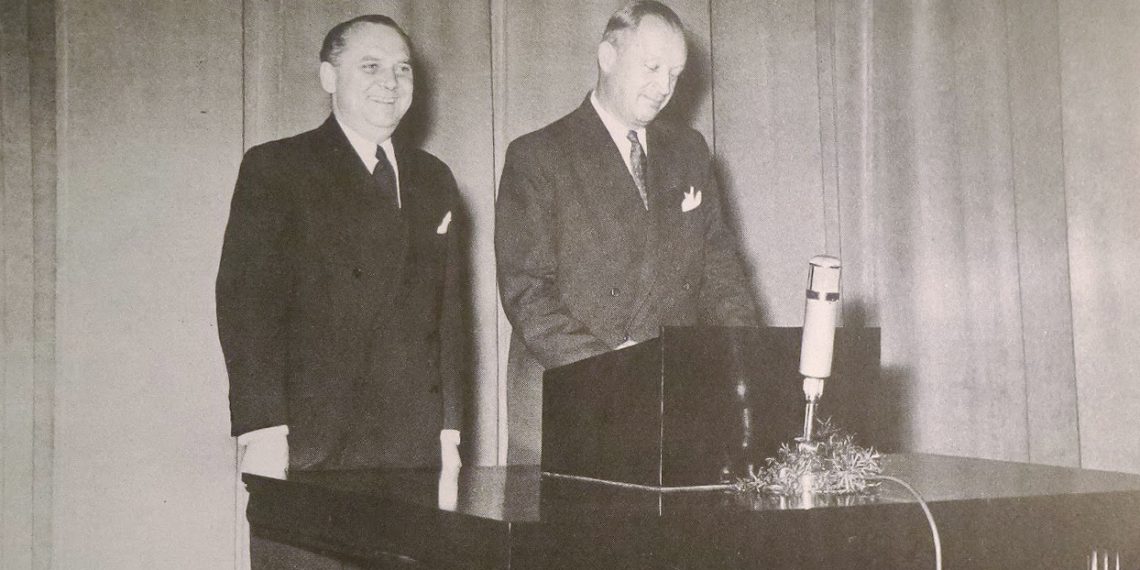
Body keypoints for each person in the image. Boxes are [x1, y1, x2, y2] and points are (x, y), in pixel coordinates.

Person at [495, 0, 759, 464]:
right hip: (569, 402)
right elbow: (527, 293)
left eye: (675, 74)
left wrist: (745, 365)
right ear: (608, 56)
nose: (664, 87)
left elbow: (722, 274)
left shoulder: (690, 151)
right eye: (652, 67)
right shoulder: (538, 156)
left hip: (670, 407)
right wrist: (617, 372)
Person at [217, 15, 464, 479]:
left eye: (403, 68)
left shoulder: (435, 178)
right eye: (371, 67)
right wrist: (264, 431)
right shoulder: (278, 167)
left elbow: (448, 316)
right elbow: (246, 305)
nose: (391, 82)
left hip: (413, 446)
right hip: (310, 444)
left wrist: (449, 432)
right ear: (329, 77)